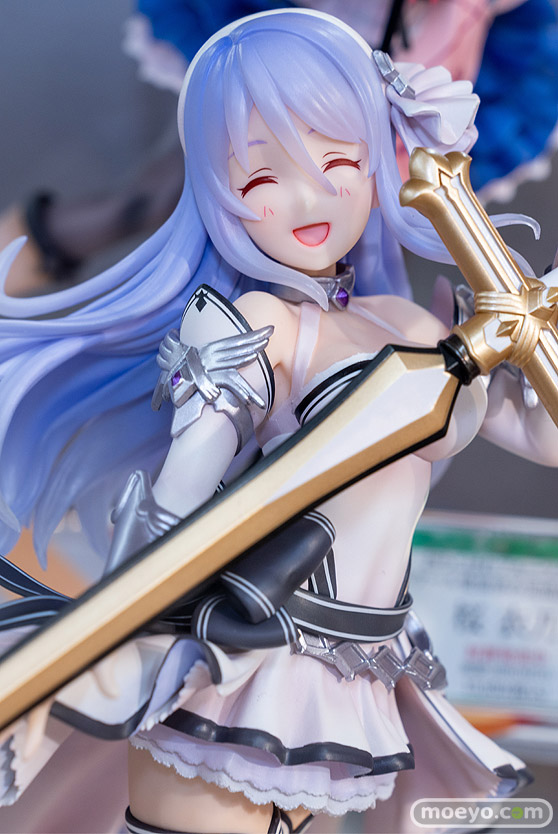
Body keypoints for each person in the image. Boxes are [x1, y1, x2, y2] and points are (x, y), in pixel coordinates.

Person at [0, 9, 556, 834]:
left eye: (341, 162)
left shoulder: (409, 324)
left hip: (352, 692)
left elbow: (547, 436)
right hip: (239, 682)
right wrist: (80, 667)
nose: (309, 197)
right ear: (216, 190)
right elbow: (174, 523)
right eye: (262, 176)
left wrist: (480, 239)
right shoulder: (261, 324)